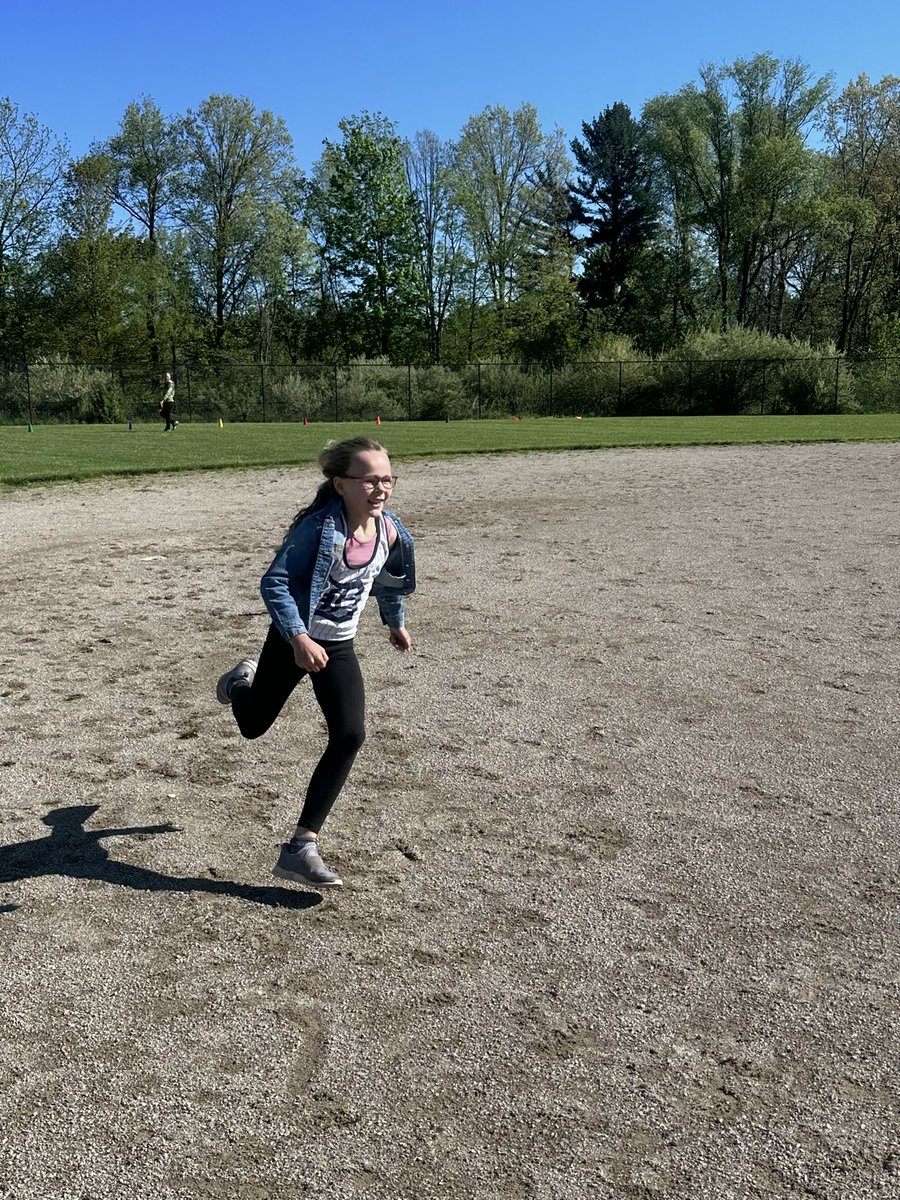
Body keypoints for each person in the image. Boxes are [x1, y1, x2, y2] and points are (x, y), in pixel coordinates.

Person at [216, 436, 416, 889]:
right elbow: (275, 582)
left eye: (387, 479)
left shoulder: (390, 530)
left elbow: (388, 580)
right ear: (341, 484)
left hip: (338, 647)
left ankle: (300, 847)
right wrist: (298, 637)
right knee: (252, 726)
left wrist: (394, 622)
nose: (380, 488)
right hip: (295, 641)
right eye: (369, 480)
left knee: (349, 735)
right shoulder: (319, 529)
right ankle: (238, 686)